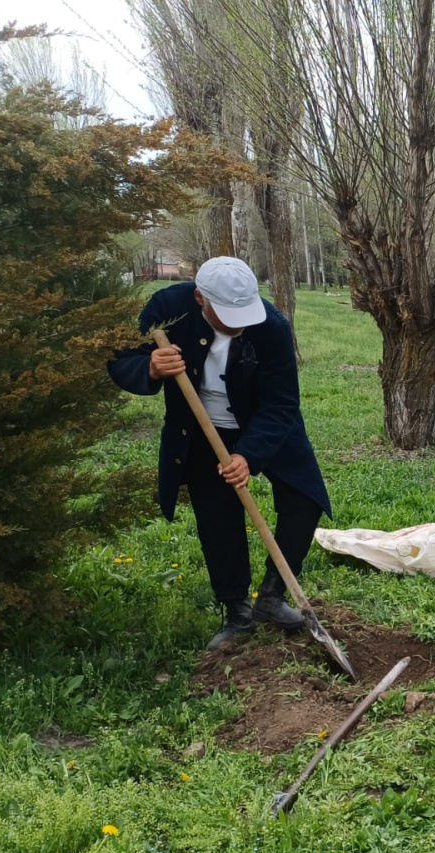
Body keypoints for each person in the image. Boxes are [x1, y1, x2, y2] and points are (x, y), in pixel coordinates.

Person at [109, 257, 332, 649]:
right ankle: (237, 612)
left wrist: (248, 455)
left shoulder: (272, 326)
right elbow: (120, 357)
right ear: (201, 298)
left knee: (304, 498)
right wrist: (150, 367)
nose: (239, 324)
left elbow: (281, 403)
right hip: (200, 429)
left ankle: (273, 596)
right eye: (229, 316)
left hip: (264, 424)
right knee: (217, 516)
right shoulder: (168, 310)